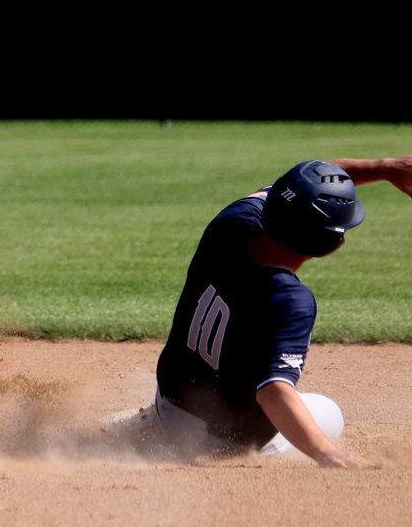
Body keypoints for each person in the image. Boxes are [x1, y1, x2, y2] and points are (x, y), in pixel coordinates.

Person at [153, 156, 412, 468]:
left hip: (165, 406)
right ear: (332, 243)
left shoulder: (230, 222)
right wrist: (327, 454)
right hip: (222, 443)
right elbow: (273, 392)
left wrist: (384, 168)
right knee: (330, 413)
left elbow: (299, 182)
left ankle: (155, 426)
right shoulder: (290, 300)